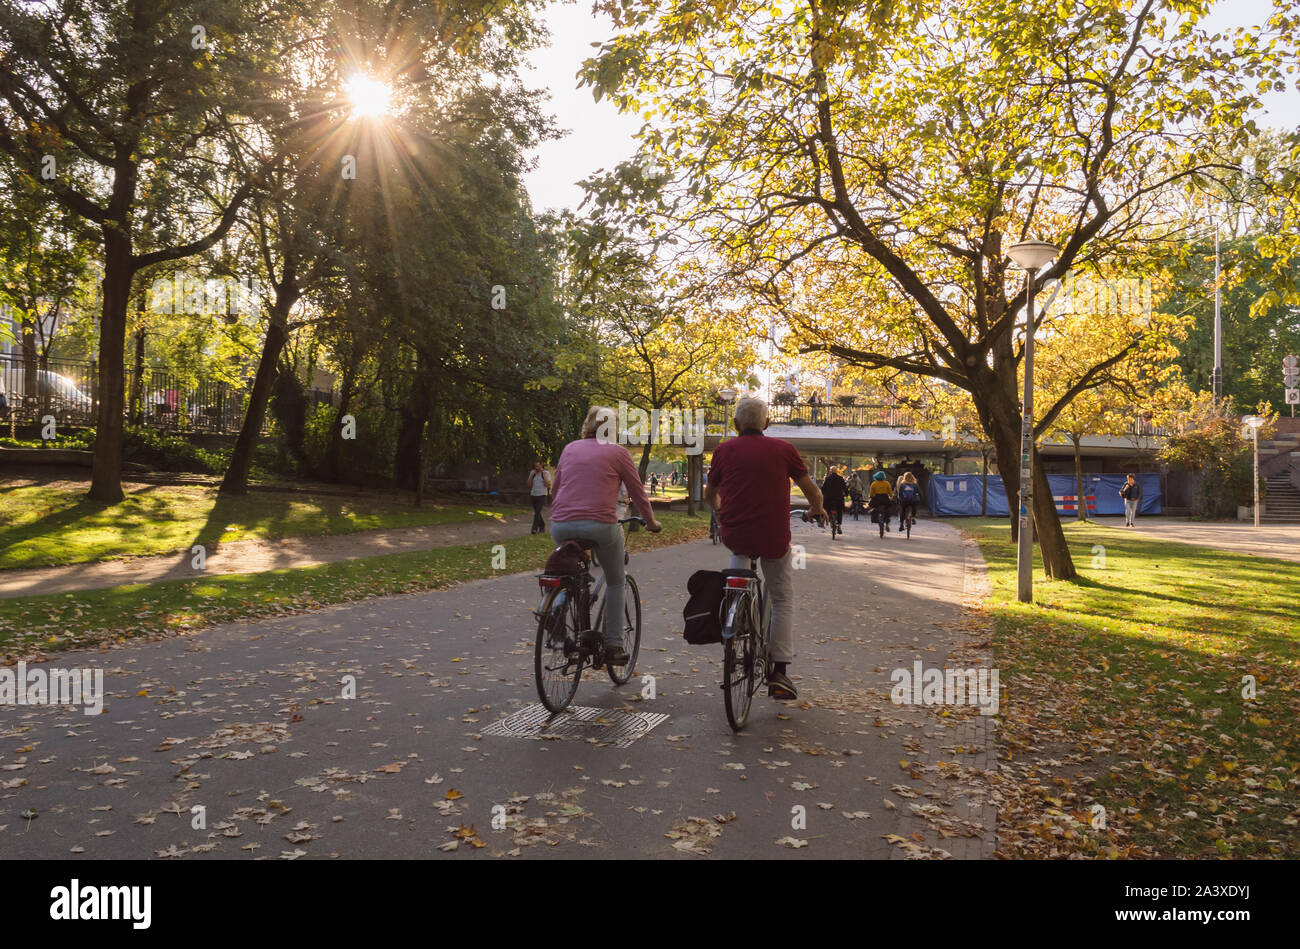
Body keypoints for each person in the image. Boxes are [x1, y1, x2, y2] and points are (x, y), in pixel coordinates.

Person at [704, 397, 824, 700]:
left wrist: (719, 510)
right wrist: (816, 510)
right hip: (773, 537)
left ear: (735, 425)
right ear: (767, 424)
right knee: (781, 596)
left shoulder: (723, 450)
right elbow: (812, 492)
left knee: (738, 573)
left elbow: (710, 494)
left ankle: (737, 609)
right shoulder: (784, 450)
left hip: (737, 536)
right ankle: (779, 673)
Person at [551, 407, 663, 664]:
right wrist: (651, 522)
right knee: (615, 580)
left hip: (561, 524)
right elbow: (637, 493)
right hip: (600, 525)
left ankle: (557, 613)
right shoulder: (618, 453)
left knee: (564, 575)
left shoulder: (569, 449)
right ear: (613, 429)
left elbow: (556, 490)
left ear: (588, 424)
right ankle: (613, 645)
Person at [820, 464, 848, 533]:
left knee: (826, 509)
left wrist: (823, 494)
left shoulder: (827, 478)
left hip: (828, 499)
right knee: (840, 511)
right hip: (839, 499)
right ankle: (839, 526)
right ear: (837, 471)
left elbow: (823, 488)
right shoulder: (841, 478)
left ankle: (823, 521)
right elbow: (845, 488)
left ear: (830, 471)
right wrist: (846, 494)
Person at [526, 460, 551, 534]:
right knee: (537, 512)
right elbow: (528, 485)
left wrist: (543, 476)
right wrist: (531, 476)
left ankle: (534, 529)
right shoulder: (532, 473)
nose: (536, 468)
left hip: (542, 495)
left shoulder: (546, 473)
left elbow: (548, 485)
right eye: (535, 466)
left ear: (541, 465)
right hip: (533, 494)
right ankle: (542, 525)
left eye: (538, 466)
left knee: (537, 512)